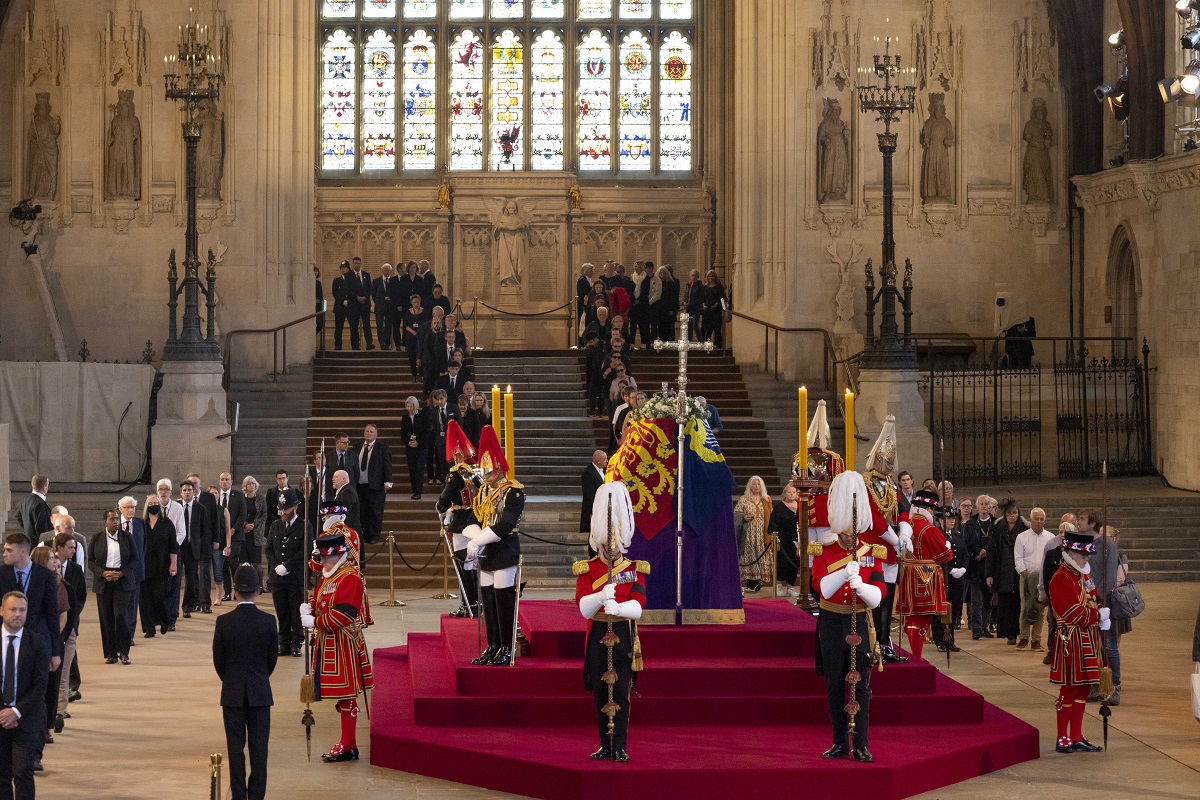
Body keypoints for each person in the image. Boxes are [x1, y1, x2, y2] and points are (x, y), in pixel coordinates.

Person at [811, 471, 885, 762]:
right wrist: (844, 571)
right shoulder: (824, 550)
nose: (851, 534)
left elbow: (878, 595)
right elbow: (821, 589)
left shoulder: (870, 551)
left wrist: (862, 586)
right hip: (831, 623)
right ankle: (840, 742)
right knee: (834, 684)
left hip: (860, 622)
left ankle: (863, 744)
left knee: (862, 686)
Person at [573, 482, 647, 762]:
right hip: (597, 632)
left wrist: (620, 607)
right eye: (607, 543)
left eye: (616, 544)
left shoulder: (634, 568)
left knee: (623, 692)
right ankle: (605, 743)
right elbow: (582, 607)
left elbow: (639, 606)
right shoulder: (588, 569)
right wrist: (600, 597)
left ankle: (621, 746)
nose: (612, 549)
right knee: (602, 692)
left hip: (624, 633)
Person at [301, 532, 374, 763]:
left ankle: (348, 744)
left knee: (347, 695)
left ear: (336, 555)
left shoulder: (350, 577)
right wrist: (310, 607)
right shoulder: (330, 574)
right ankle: (347, 743)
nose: (321, 563)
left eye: (324, 559)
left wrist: (316, 622)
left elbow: (344, 614)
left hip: (343, 644)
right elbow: (320, 595)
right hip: (329, 642)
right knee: (342, 697)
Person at [213, 565, 278, 800]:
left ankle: (239, 796)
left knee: (235, 750)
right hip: (260, 692)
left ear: (236, 591)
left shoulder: (224, 622)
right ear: (258, 591)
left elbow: (218, 661)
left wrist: (231, 679)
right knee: (259, 751)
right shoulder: (269, 621)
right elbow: (272, 660)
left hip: (232, 693)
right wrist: (259, 677)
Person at [462, 427, 525, 666]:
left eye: (489, 470)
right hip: (486, 552)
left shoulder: (513, 491)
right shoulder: (484, 491)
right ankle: (493, 645)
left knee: (503, 600)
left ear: (499, 468)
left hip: (504, 549)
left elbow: (507, 523)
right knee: (488, 601)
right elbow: (473, 519)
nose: (486, 475)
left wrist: (478, 540)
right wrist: (475, 537)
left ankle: (507, 647)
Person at [1048, 528, 1110, 753]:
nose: (1086, 558)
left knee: (1083, 689)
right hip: (1070, 639)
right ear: (1071, 553)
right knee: (1070, 688)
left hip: (1088, 637)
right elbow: (1074, 614)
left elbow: (1094, 598)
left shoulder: (1083, 574)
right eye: (1083, 555)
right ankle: (1061, 737)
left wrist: (1102, 613)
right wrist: (1098, 616)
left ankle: (1076, 735)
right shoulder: (1061, 577)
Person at [858, 416, 907, 663]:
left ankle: (886, 642)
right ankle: (873, 640)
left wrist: (906, 532)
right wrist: (895, 539)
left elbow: (903, 507)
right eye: (886, 459)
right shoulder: (864, 484)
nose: (889, 464)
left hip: (892, 550)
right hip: (873, 548)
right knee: (875, 598)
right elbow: (874, 519)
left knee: (889, 598)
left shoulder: (891, 485)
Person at [0, 590, 50, 800]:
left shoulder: (37, 642)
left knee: (22, 773)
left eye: (22, 610)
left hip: (26, 718)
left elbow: (40, 685)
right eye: (13, 609)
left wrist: (16, 712)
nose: (18, 614)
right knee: (1, 776)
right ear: (2, 611)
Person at [894, 490, 953, 662]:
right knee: (922, 619)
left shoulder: (906, 526)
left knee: (911, 618)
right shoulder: (930, 529)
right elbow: (944, 556)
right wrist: (948, 546)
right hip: (925, 577)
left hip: (906, 574)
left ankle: (915, 654)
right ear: (930, 510)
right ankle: (917, 657)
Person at [1081, 509, 1128, 705]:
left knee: (1109, 646)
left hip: (1104, 603)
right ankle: (1098, 685)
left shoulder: (1107, 544)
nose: (1078, 523)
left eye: (1082, 519)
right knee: (1095, 646)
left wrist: (1100, 602)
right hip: (1089, 601)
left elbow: (1108, 577)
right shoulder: (1088, 544)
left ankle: (1114, 686)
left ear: (1092, 523)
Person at [436, 422, 480, 619]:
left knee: (464, 568)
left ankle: (468, 605)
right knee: (475, 567)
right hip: (477, 523)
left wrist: (441, 509)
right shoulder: (476, 470)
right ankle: (476, 603)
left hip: (461, 524)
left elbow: (444, 500)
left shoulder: (457, 473)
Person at [27, 547, 65, 748]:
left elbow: (59, 614)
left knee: (47, 690)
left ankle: (45, 728)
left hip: (49, 642)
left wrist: (55, 647)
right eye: (50, 558)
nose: (54, 561)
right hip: (31, 643)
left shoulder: (55, 582)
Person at [88, 510, 135, 665]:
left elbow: (135, 559)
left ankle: (124, 652)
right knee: (106, 617)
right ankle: (111, 653)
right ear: (105, 522)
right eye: (112, 519)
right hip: (104, 582)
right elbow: (90, 561)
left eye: (117, 519)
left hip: (122, 581)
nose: (115, 521)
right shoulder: (97, 538)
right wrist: (102, 573)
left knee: (121, 615)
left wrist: (122, 573)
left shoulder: (127, 537)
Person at [265, 489, 307, 658]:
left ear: (295, 507)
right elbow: (269, 549)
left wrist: (287, 565)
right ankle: (283, 642)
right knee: (281, 611)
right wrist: (276, 565)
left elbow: (304, 551)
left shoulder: (304, 526)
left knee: (295, 611)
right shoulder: (276, 525)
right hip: (278, 577)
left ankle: (296, 642)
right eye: (282, 508)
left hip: (295, 577)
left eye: (287, 508)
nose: (284, 512)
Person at [52, 533, 85, 732]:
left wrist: (73, 615)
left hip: (70, 625)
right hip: (52, 627)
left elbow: (80, 597)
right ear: (60, 547)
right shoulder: (49, 570)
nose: (73, 551)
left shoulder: (76, 570)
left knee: (65, 670)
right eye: (71, 548)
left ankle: (60, 711)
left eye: (75, 548)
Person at [1014, 507, 1055, 651]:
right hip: (1026, 577)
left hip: (1043, 579)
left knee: (1040, 608)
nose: (1039, 522)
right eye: (1036, 519)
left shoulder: (1050, 538)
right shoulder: (1022, 537)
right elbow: (1018, 558)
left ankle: (1036, 640)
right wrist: (1026, 575)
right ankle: (1023, 638)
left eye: (1041, 519)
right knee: (1025, 606)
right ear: (1031, 520)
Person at [986, 498, 1026, 645]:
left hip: (1017, 572)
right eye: (1009, 513)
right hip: (1002, 571)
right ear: (1005, 515)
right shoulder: (997, 529)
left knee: (1017, 604)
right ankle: (1007, 632)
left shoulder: (1024, 529)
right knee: (1004, 604)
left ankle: (1016, 632)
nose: (1012, 516)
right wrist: (989, 574)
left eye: (1015, 513)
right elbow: (991, 553)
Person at [932, 502, 968, 653]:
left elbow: (965, 554)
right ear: (941, 520)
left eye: (953, 518)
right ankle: (940, 640)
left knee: (954, 609)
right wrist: (951, 570)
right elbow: (936, 556)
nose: (952, 521)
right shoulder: (937, 535)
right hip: (943, 577)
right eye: (948, 518)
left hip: (957, 579)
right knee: (941, 609)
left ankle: (950, 639)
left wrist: (963, 568)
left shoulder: (958, 536)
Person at [140, 495, 177, 638]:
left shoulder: (167, 523)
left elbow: (173, 546)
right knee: (145, 599)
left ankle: (164, 621)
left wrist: (173, 564)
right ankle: (149, 628)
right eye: (151, 503)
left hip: (162, 566)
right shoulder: (142, 524)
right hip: (145, 566)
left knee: (159, 597)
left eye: (156, 503)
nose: (153, 505)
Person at [964, 494, 998, 639]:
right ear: (977, 506)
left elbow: (998, 543)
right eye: (981, 504)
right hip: (976, 566)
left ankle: (985, 626)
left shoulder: (996, 524)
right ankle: (976, 629)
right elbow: (966, 543)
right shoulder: (970, 524)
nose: (984, 507)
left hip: (991, 567)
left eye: (986, 504)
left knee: (988, 600)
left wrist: (989, 552)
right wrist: (978, 551)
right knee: (976, 600)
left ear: (991, 507)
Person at [187, 472, 221, 614]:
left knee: (205, 573)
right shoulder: (185, 499)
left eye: (195, 483)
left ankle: (205, 603)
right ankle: (194, 602)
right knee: (192, 574)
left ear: (200, 485)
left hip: (206, 541)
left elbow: (215, 520)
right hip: (190, 543)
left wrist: (216, 539)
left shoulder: (208, 498)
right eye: (191, 484)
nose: (193, 486)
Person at [178, 479, 212, 618]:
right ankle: (173, 608)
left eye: (190, 490)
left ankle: (187, 606)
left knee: (191, 579)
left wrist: (203, 548)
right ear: (181, 492)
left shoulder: (201, 508)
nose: (187, 492)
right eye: (185, 490)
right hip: (178, 547)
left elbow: (204, 531)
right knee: (175, 579)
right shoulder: (176, 507)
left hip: (193, 548)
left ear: (194, 491)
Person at [355, 424, 393, 545]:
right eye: (366, 431)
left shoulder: (382, 447)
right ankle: (365, 535)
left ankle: (374, 535)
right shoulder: (356, 447)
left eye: (371, 432)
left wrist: (388, 482)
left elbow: (387, 465)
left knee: (375, 512)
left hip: (376, 486)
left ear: (376, 434)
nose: (368, 433)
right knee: (363, 511)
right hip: (360, 485)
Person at [115, 496, 146, 644]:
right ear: (120, 509)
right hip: (118, 571)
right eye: (127, 507)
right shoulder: (115, 525)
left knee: (133, 606)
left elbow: (144, 546)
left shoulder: (140, 523)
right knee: (121, 605)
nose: (130, 510)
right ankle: (119, 633)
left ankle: (130, 635)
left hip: (136, 571)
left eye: (132, 507)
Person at [735, 476, 773, 593]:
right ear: (749, 486)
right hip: (749, 531)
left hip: (762, 532)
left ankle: (756, 581)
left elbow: (770, 515)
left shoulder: (766, 499)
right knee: (749, 554)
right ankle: (750, 581)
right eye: (754, 484)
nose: (756, 486)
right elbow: (736, 514)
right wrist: (744, 518)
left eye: (758, 484)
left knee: (760, 554)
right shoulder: (744, 499)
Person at [217, 473, 247, 604]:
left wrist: (234, 528)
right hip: (220, 537)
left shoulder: (238, 495)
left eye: (227, 480)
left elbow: (242, 514)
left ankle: (237, 589)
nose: (224, 482)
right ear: (219, 482)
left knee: (233, 562)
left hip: (235, 536)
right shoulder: (215, 497)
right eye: (222, 480)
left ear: (231, 481)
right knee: (222, 565)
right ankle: (227, 592)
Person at [768, 484, 801, 597]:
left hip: (797, 541)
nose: (792, 494)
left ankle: (791, 587)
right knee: (782, 564)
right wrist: (776, 541)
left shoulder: (800, 507)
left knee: (795, 564)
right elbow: (772, 527)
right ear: (784, 494)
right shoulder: (779, 508)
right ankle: (778, 586)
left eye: (794, 492)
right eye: (789, 492)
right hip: (782, 542)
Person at [400, 396, 430, 500]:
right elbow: (402, 433)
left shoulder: (422, 415)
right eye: (407, 406)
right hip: (410, 447)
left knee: (419, 468)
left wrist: (418, 442)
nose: (409, 408)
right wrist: (408, 442)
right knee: (412, 469)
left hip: (421, 447)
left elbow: (427, 431)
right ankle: (414, 490)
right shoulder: (405, 418)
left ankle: (418, 491)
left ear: (415, 406)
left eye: (411, 406)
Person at [239, 478, 267, 589]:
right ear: (245, 486)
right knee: (243, 563)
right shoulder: (241, 499)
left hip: (256, 534)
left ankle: (259, 585)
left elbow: (264, 516)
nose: (251, 486)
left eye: (253, 484)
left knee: (256, 563)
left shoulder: (261, 499)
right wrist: (245, 525)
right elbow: (238, 514)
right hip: (244, 534)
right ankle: (244, 585)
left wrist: (254, 524)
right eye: (249, 484)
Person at [579, 450, 607, 558]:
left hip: (602, 510)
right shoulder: (588, 473)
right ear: (598, 460)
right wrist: (594, 512)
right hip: (595, 511)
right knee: (594, 535)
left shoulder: (603, 471)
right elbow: (589, 496)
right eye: (604, 459)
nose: (607, 461)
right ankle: (593, 556)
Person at [346, 256, 374, 351]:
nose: (357, 265)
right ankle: (355, 345)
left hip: (365, 304)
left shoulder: (366, 274)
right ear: (353, 264)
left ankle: (369, 343)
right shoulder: (348, 275)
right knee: (354, 325)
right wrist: (357, 297)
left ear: (361, 264)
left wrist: (365, 297)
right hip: (354, 304)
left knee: (367, 324)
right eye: (355, 263)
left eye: (358, 263)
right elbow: (348, 290)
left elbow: (370, 288)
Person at [371, 262, 399, 350]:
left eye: (388, 270)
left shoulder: (393, 281)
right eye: (385, 270)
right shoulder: (376, 281)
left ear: (391, 271)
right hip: (380, 307)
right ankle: (382, 343)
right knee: (380, 326)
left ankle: (387, 343)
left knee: (388, 326)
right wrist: (380, 301)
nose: (387, 272)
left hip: (390, 307)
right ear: (382, 271)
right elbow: (374, 294)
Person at [426, 390, 451, 486]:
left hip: (445, 438)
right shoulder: (430, 411)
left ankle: (441, 477)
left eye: (441, 399)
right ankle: (432, 476)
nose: (438, 401)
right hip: (434, 437)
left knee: (443, 459)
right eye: (436, 399)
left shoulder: (449, 409)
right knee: (433, 457)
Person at [15, 477, 51, 542]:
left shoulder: (25, 500)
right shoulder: (40, 504)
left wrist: (28, 528)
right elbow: (41, 526)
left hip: (28, 540)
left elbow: (18, 516)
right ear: (45, 487)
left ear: (32, 485)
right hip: (38, 543)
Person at [699, 270, 727, 348]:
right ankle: (706, 346)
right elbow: (702, 298)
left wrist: (717, 304)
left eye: (712, 276)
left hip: (716, 310)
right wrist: (703, 304)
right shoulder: (705, 287)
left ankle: (717, 347)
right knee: (706, 329)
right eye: (709, 276)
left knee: (717, 328)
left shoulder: (719, 287)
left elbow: (722, 297)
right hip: (707, 310)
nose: (710, 278)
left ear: (715, 277)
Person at [402, 294, 428, 377]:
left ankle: (421, 374)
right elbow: (406, 325)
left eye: (418, 302)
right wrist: (414, 332)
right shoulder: (408, 312)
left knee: (420, 356)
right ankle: (414, 374)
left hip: (421, 337)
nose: (416, 304)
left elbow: (426, 324)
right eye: (414, 302)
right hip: (410, 338)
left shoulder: (424, 312)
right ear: (411, 303)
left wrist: (420, 333)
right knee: (411, 356)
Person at [330, 470, 361, 535]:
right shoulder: (343, 491)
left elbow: (347, 513)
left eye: (336, 477)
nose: (332, 479)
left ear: (343, 479)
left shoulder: (347, 492)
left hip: (349, 532)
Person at [331, 260, 350, 350]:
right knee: (338, 327)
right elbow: (335, 293)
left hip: (350, 306)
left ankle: (355, 344)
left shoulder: (352, 280)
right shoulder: (336, 280)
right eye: (342, 268)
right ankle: (338, 344)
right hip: (339, 306)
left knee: (353, 327)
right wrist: (343, 301)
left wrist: (349, 301)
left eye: (345, 268)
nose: (343, 270)